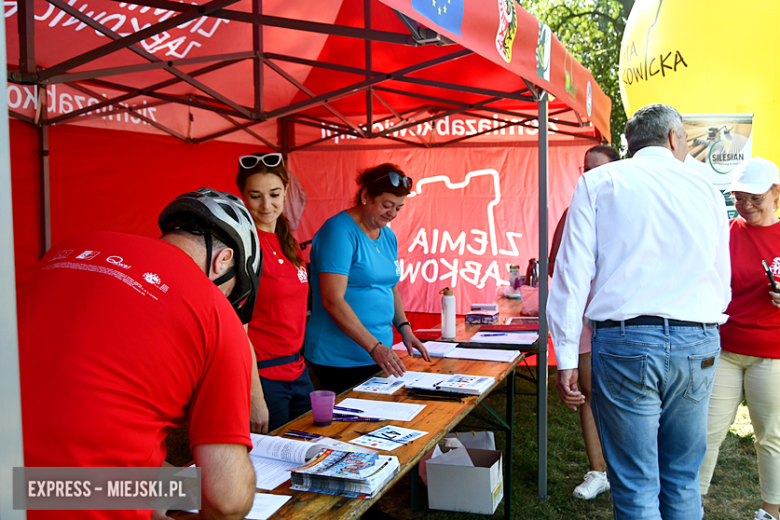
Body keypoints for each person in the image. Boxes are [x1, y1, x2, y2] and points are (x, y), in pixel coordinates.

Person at [18, 188, 261, 520]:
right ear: (224, 261)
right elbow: (227, 501)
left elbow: (72, 442)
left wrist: (168, 490)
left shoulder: (69, 248)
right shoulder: (215, 311)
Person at [547, 103, 731, 520]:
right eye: (685, 139)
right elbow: (722, 278)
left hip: (627, 340)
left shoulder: (601, 182)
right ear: (672, 138)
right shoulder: (705, 187)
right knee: (682, 479)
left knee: (635, 484)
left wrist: (565, 355)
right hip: (696, 338)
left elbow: (571, 275)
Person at [698, 157, 780, 520]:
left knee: (771, 437)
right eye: (739, 197)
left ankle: (770, 510)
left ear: (775, 194)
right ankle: (690, 503)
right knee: (704, 432)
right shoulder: (725, 232)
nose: (746, 205)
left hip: (772, 354)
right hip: (727, 348)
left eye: (755, 197)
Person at [304, 163, 431, 394]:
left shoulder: (388, 235)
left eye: (399, 208)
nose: (392, 213)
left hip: (378, 353)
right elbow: (332, 299)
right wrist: (374, 347)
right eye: (386, 205)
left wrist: (405, 329)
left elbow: (389, 288)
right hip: (340, 358)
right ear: (364, 195)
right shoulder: (338, 232)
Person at [548, 144, 620, 500]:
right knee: (588, 395)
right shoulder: (573, 211)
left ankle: (627, 470)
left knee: (626, 398)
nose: (589, 176)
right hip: (584, 321)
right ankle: (598, 471)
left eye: (598, 169)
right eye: (585, 169)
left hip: (620, 318)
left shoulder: (628, 211)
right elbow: (553, 267)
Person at [237, 152, 315, 432]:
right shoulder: (244, 247)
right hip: (263, 377)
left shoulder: (287, 239)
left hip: (298, 371)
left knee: (306, 450)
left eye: (274, 194)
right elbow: (235, 329)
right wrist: (254, 397)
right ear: (243, 197)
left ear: (285, 193)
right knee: (272, 466)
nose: (266, 205)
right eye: (256, 195)